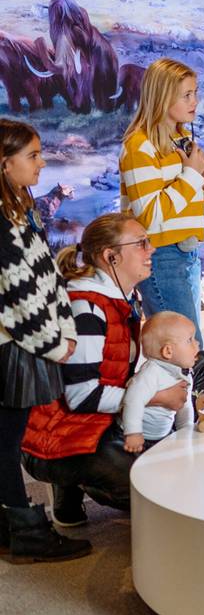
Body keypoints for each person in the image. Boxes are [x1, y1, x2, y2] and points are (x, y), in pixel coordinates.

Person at [22, 213, 204, 522]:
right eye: (141, 243)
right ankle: (72, 480)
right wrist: (157, 397)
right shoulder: (85, 307)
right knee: (160, 487)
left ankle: (151, 442)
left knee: (202, 365)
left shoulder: (123, 298)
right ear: (110, 257)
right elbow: (81, 396)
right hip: (62, 431)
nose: (151, 249)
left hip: (102, 416)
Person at [0, 119, 91, 563]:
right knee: (6, 441)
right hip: (12, 348)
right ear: (5, 164)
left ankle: (13, 529)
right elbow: (17, 297)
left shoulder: (20, 211)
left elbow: (47, 279)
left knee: (6, 440)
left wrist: (63, 330)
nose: (41, 163)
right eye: (32, 156)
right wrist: (57, 343)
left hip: (27, 342)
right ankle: (26, 533)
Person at [119, 58, 204, 343]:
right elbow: (149, 217)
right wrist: (192, 176)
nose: (195, 101)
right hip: (161, 256)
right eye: (187, 95)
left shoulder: (181, 139)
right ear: (162, 97)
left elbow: (190, 208)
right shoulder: (139, 146)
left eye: (195, 93)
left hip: (186, 252)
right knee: (184, 348)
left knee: (189, 345)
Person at [121, 313, 198, 454]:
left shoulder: (184, 374)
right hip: (139, 438)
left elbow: (184, 406)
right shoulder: (151, 373)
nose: (197, 344)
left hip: (164, 435)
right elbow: (133, 400)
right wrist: (133, 433)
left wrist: (186, 433)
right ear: (168, 351)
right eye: (190, 340)